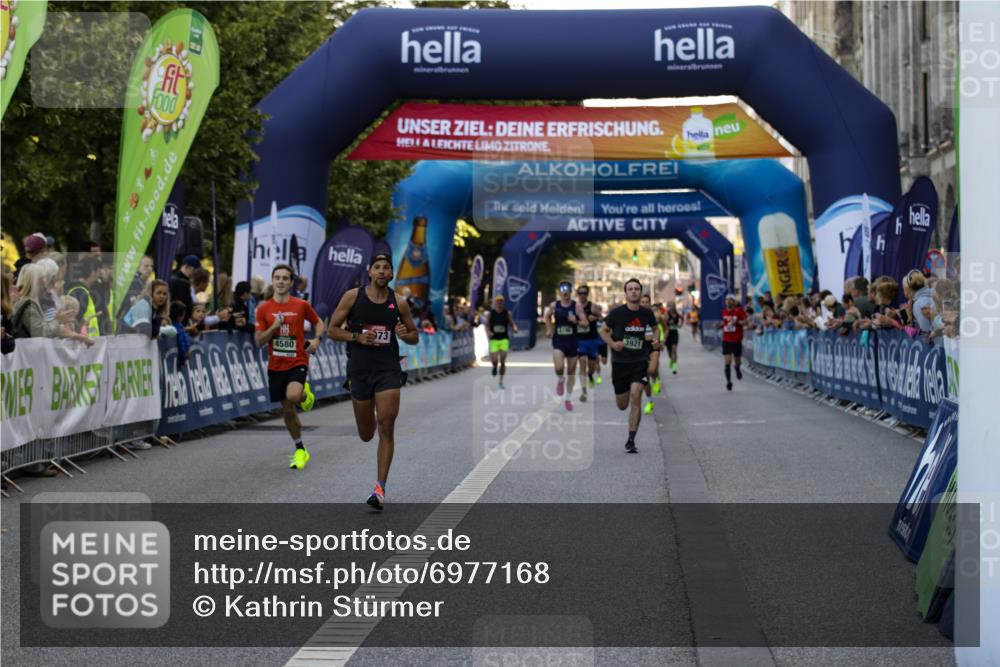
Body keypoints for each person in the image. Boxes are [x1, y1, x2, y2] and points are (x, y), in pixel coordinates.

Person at [327, 253, 419, 511]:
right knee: (367, 434)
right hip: (359, 371)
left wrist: (404, 333)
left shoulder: (399, 303)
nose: (381, 271)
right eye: (377, 267)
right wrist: (356, 336)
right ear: (369, 272)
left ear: (391, 274)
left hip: (388, 369)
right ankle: (377, 475)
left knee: (386, 425)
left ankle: (380, 488)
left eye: (386, 268)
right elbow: (332, 330)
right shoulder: (352, 297)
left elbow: (414, 337)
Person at [255, 264, 325, 471]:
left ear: (291, 283)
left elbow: (319, 323)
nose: (281, 281)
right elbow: (259, 340)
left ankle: (305, 396)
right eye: (277, 277)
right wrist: (274, 328)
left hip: (298, 361)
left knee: (294, 396)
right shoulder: (264, 308)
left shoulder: (301, 305)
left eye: (285, 278)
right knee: (287, 410)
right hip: (276, 365)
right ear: (273, 280)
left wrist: (316, 341)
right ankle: (300, 448)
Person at [600, 278, 660, 453]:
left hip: (639, 361)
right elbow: (603, 330)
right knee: (622, 404)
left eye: (636, 289)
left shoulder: (646, 314)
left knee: (636, 397)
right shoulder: (617, 313)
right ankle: (622, 399)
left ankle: (631, 439)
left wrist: (655, 339)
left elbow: (655, 329)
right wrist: (612, 344)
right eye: (630, 289)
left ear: (640, 292)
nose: (633, 291)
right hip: (620, 363)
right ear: (625, 293)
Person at [543, 281, 586, 412]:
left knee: (571, 372)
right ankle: (560, 379)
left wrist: (577, 321)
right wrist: (549, 329)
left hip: (573, 342)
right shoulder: (554, 305)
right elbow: (547, 316)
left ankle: (568, 398)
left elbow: (585, 323)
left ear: (570, 291)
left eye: (567, 289)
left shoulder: (577, 306)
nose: (565, 292)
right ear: (560, 291)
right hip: (559, 341)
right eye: (563, 289)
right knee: (559, 367)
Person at [574, 284, 602, 402]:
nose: (582, 295)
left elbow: (602, 318)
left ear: (587, 294)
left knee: (591, 366)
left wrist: (595, 318)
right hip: (579, 340)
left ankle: (590, 375)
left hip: (592, 339)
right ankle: (584, 391)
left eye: (584, 293)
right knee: (582, 363)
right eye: (580, 293)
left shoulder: (593, 306)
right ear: (577, 294)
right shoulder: (574, 307)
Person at [716, 295, 748, 391]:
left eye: (730, 300)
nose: (728, 302)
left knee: (737, 360)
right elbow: (724, 323)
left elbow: (745, 322)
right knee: (728, 361)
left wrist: (737, 322)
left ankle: (737, 368)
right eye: (726, 300)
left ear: (734, 302)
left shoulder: (739, 311)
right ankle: (729, 382)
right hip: (726, 339)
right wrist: (719, 325)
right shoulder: (723, 312)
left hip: (737, 340)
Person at [486, 294, 518, 388]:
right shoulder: (491, 313)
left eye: (501, 301)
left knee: (503, 360)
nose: (500, 302)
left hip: (504, 339)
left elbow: (512, 323)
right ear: (495, 302)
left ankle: (500, 381)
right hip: (494, 339)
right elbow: (487, 325)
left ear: (503, 302)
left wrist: (515, 328)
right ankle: (495, 367)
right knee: (495, 360)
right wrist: (488, 332)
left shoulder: (507, 313)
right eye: (498, 301)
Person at [66, 256, 102, 337]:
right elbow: (74, 325)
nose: (99, 275)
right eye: (98, 271)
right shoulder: (80, 292)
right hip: (82, 345)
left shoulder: (81, 291)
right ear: (93, 272)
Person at [639, 294, 662, 414]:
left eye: (646, 301)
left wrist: (657, 340)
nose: (644, 304)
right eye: (642, 302)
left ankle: (656, 378)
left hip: (653, 345)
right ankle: (649, 401)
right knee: (645, 377)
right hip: (641, 347)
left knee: (652, 370)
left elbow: (659, 328)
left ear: (649, 303)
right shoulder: (635, 315)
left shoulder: (654, 314)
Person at [665, 301, 682, 374]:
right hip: (668, 334)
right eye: (670, 306)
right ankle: (671, 360)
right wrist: (667, 323)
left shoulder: (677, 314)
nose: (671, 307)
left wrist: (680, 325)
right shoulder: (667, 314)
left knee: (674, 349)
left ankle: (674, 368)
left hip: (675, 333)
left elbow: (682, 318)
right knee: (669, 352)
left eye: (672, 305)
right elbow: (664, 323)